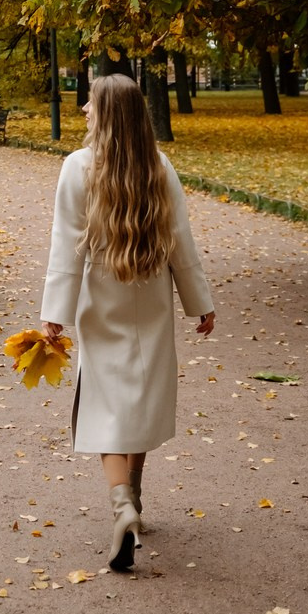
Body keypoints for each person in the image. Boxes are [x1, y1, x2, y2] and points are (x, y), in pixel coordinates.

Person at [40, 73, 214, 572]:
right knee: (140, 398)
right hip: (152, 296)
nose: (83, 111)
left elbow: (65, 247)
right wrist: (199, 301)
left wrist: (55, 313)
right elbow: (181, 239)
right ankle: (134, 504)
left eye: (90, 104)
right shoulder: (160, 166)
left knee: (106, 404)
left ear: (108, 113)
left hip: (101, 298)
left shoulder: (77, 168)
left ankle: (122, 507)